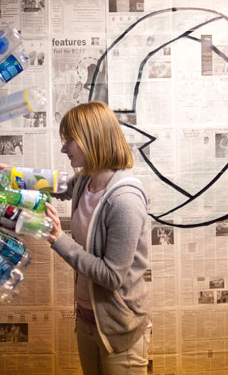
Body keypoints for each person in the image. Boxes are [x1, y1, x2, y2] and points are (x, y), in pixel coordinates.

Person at [44, 101, 151, 374]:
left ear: (93, 140)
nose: (63, 148)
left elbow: (112, 276)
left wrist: (59, 240)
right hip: (86, 320)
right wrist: (5, 174)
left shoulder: (124, 200)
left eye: (69, 140)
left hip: (118, 329)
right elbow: (53, 184)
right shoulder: (86, 181)